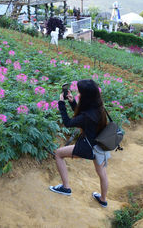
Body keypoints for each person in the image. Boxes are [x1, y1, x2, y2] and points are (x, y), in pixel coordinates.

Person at [49, 79, 110, 208]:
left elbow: (69, 123)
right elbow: (82, 118)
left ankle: (65, 188)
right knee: (102, 173)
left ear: (86, 96)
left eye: (80, 93)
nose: (78, 94)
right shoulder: (99, 107)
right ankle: (103, 200)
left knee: (59, 154)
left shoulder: (88, 115)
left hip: (88, 147)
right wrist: (72, 102)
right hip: (101, 146)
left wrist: (61, 103)